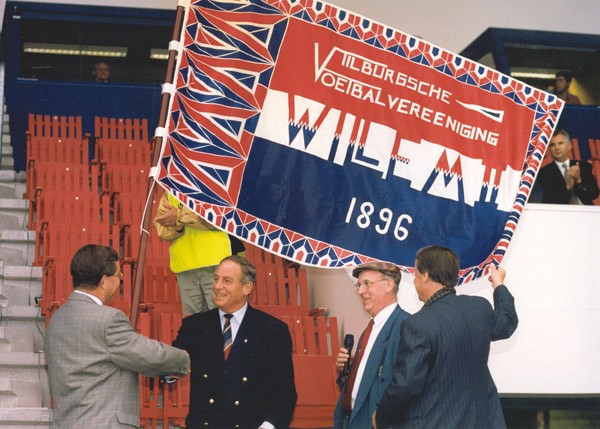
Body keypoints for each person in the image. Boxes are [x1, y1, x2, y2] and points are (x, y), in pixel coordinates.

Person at [45, 244, 190, 428]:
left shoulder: (57, 319)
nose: (121, 278)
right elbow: (150, 356)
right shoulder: (108, 319)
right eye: (119, 274)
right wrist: (187, 357)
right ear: (104, 281)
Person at [374, 245, 518, 429]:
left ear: (425, 275)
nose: (415, 281)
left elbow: (404, 385)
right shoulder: (479, 307)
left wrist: (381, 417)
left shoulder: (417, 325)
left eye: (416, 274)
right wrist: (499, 284)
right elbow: (507, 323)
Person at [172, 255, 297, 429]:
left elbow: (285, 393)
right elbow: (170, 365)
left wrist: (268, 426)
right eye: (215, 279)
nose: (217, 286)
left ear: (247, 287)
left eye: (227, 281)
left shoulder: (272, 330)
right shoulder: (194, 326)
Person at [333, 262, 410, 429]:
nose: (360, 291)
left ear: (389, 285)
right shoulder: (371, 328)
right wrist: (348, 369)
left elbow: (403, 388)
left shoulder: (406, 326)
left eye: (367, 284)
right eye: (359, 285)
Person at [153, 191, 245, 315]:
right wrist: (177, 225)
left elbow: (222, 217)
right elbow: (161, 229)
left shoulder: (216, 180)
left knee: (223, 321)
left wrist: (179, 216)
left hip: (219, 263)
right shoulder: (170, 188)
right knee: (193, 326)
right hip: (185, 265)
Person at [531, 129, 599, 205]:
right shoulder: (544, 173)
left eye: (560, 143)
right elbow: (550, 201)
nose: (556, 147)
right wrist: (568, 187)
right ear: (549, 149)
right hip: (560, 214)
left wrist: (578, 181)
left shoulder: (583, 166)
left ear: (569, 146)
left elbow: (594, 194)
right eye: (552, 144)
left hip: (586, 213)